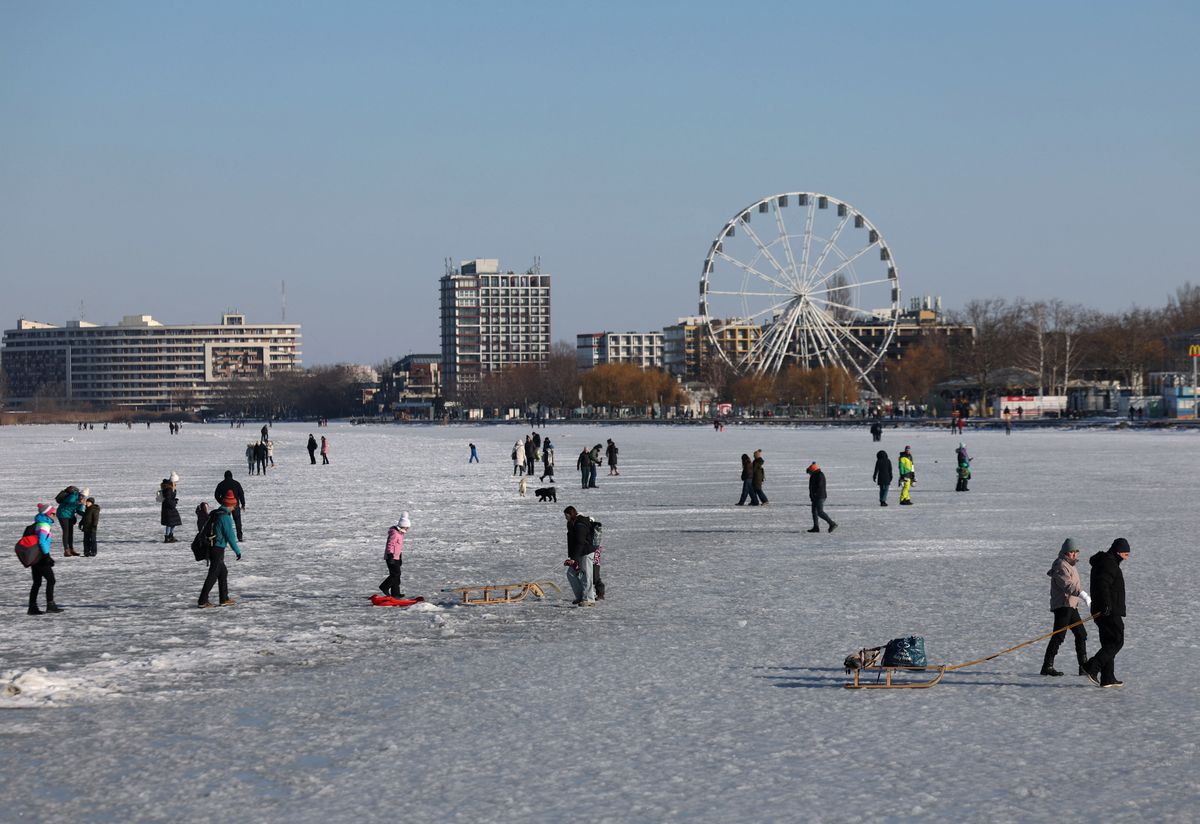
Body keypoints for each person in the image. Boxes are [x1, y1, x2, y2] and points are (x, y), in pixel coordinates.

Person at [1083, 538, 1130, 687]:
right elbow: (1102, 585)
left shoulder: (1105, 562)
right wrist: (1107, 605)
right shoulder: (1109, 564)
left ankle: (1107, 677)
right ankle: (1092, 666)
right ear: (1118, 552)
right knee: (1117, 640)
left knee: (1108, 642)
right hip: (1108, 610)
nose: (1127, 557)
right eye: (1125, 554)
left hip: (1102, 609)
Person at [1041, 538, 1090, 677]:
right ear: (1065, 552)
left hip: (1071, 606)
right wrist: (1083, 595)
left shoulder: (1071, 565)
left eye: (1076, 552)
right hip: (1063, 605)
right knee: (1058, 636)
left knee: (1081, 634)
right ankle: (1047, 666)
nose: (1074, 554)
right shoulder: (1061, 565)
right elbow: (1067, 585)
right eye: (1071, 552)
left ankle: (1084, 667)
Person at [198, 489, 243, 608]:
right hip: (217, 548)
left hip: (212, 547)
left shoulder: (216, 512)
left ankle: (224, 598)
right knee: (213, 575)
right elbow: (230, 537)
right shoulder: (225, 518)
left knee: (223, 572)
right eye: (234, 506)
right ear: (230, 504)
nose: (235, 508)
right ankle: (202, 601)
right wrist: (237, 551)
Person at [28, 504, 63, 615]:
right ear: (48, 514)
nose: (55, 515)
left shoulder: (39, 523)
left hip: (34, 556)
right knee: (51, 580)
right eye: (53, 513)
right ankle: (50, 605)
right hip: (41, 557)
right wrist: (47, 556)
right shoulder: (44, 525)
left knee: (37, 582)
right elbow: (42, 541)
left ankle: (32, 607)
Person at [563, 506, 595, 606]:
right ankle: (581, 597)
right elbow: (572, 542)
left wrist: (574, 559)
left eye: (566, 515)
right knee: (571, 574)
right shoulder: (571, 524)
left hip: (586, 552)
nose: (565, 517)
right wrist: (572, 557)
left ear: (570, 514)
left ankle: (589, 599)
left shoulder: (580, 524)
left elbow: (580, 543)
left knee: (586, 575)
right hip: (577, 554)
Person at [379, 512, 410, 598]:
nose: (407, 529)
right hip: (391, 557)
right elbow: (390, 544)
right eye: (407, 527)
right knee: (395, 574)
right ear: (403, 526)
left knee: (397, 575)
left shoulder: (400, 533)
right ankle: (384, 587)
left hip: (396, 556)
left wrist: (399, 557)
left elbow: (398, 547)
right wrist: (390, 555)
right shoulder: (395, 533)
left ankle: (395, 593)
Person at [214, 470, 247, 541]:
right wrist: (243, 504)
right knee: (238, 521)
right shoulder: (236, 483)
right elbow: (241, 494)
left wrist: (221, 502)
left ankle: (226, 537)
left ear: (224, 476)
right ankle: (240, 537)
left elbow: (216, 495)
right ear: (232, 476)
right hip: (235, 505)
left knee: (226, 522)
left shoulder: (221, 484)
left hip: (225, 506)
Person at [805, 463, 837, 533]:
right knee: (814, 512)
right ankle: (816, 527)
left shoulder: (819, 474)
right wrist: (812, 495)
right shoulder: (814, 475)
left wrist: (816, 494)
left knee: (820, 512)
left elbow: (820, 486)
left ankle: (832, 524)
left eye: (809, 472)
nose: (809, 474)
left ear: (812, 470)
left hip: (820, 496)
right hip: (815, 496)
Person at [55, 485, 84, 557]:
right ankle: (66, 550)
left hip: (70, 515)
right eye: (82, 495)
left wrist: (86, 514)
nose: (83, 497)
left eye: (84, 496)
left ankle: (71, 549)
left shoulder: (80, 500)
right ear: (80, 494)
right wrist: (78, 502)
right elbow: (69, 504)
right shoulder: (73, 496)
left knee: (70, 532)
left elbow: (79, 510)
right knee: (66, 531)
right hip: (62, 514)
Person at [160, 475, 182, 542]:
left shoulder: (170, 488)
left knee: (173, 522)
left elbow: (169, 498)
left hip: (169, 508)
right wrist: (173, 503)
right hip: (169, 508)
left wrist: (174, 500)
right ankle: (167, 537)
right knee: (169, 523)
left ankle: (170, 535)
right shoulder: (169, 489)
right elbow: (168, 499)